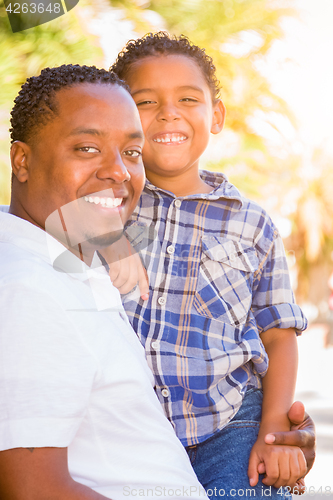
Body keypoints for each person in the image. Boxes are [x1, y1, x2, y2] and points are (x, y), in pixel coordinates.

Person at [105, 32, 313, 497]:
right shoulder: (107, 208)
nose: (168, 112)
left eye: (187, 98)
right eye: (145, 101)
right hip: (129, 429)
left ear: (215, 116)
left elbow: (279, 336)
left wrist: (274, 434)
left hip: (231, 424)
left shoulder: (251, 223)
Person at [0, 64, 209, 500]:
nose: (118, 172)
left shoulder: (65, 264)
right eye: (88, 148)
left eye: (131, 153)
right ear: (22, 161)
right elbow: (34, 490)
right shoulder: (32, 291)